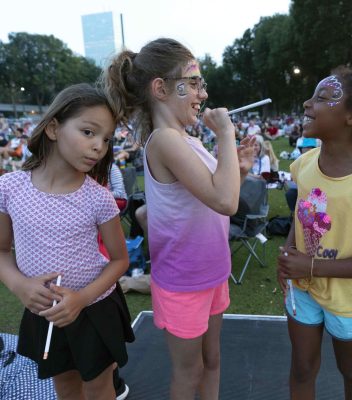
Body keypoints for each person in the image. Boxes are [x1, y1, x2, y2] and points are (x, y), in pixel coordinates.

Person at [101, 37, 254, 400]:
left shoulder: (188, 139)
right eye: (195, 83)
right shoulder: (165, 141)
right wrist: (227, 134)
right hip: (184, 283)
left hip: (212, 272)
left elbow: (212, 197)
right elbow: (226, 201)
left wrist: (241, 169)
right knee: (190, 374)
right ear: (161, 88)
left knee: (212, 361)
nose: (202, 94)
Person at [0, 83, 135, 400]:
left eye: (105, 139)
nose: (99, 146)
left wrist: (82, 298)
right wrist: (20, 285)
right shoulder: (9, 188)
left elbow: (120, 260)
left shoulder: (99, 198)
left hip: (94, 309)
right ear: (53, 128)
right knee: (64, 386)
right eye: (89, 132)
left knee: (99, 386)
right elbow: (1, 251)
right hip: (45, 312)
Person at [277, 67, 352, 400]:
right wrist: (289, 254)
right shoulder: (304, 164)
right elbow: (301, 215)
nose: (307, 104)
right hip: (302, 290)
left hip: (351, 301)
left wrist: (313, 266)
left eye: (321, 98)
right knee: (302, 368)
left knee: (351, 370)